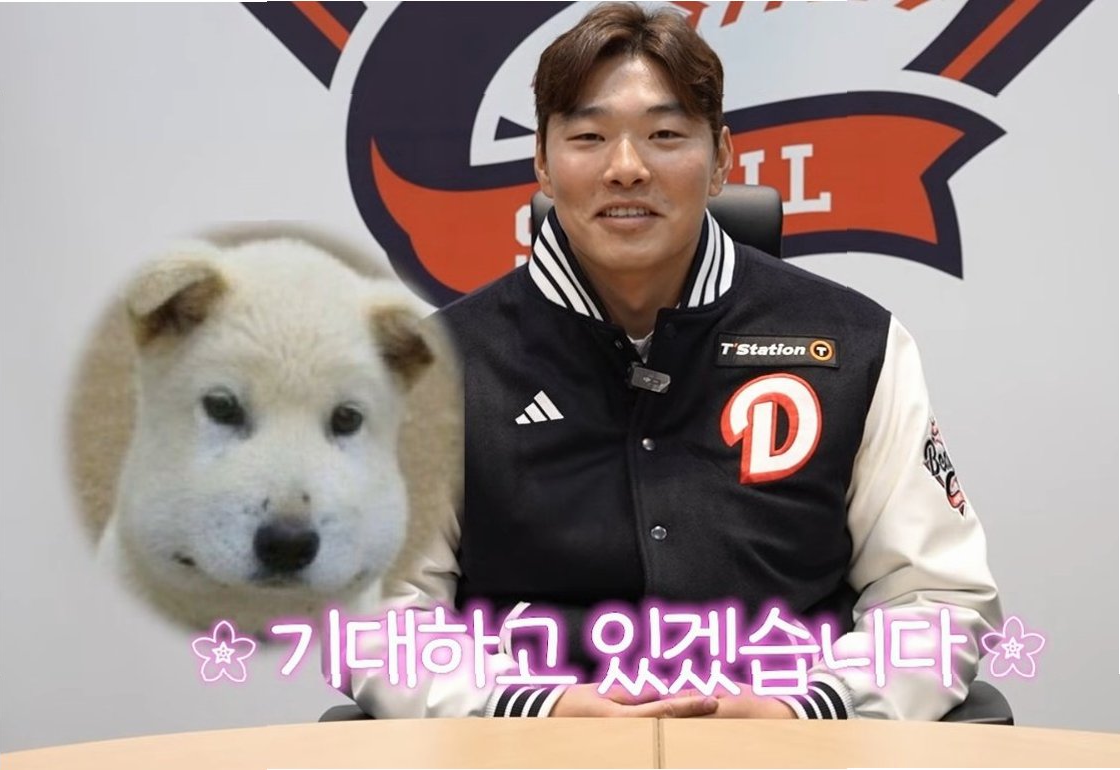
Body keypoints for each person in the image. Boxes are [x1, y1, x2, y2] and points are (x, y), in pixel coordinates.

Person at [352, 1, 1000, 721]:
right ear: (541, 161)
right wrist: (532, 707)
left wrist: (808, 709)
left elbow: (935, 598)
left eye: (664, 135)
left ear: (721, 158)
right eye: (589, 136)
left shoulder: (856, 344)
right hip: (527, 748)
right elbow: (375, 614)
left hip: (785, 747)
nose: (626, 169)